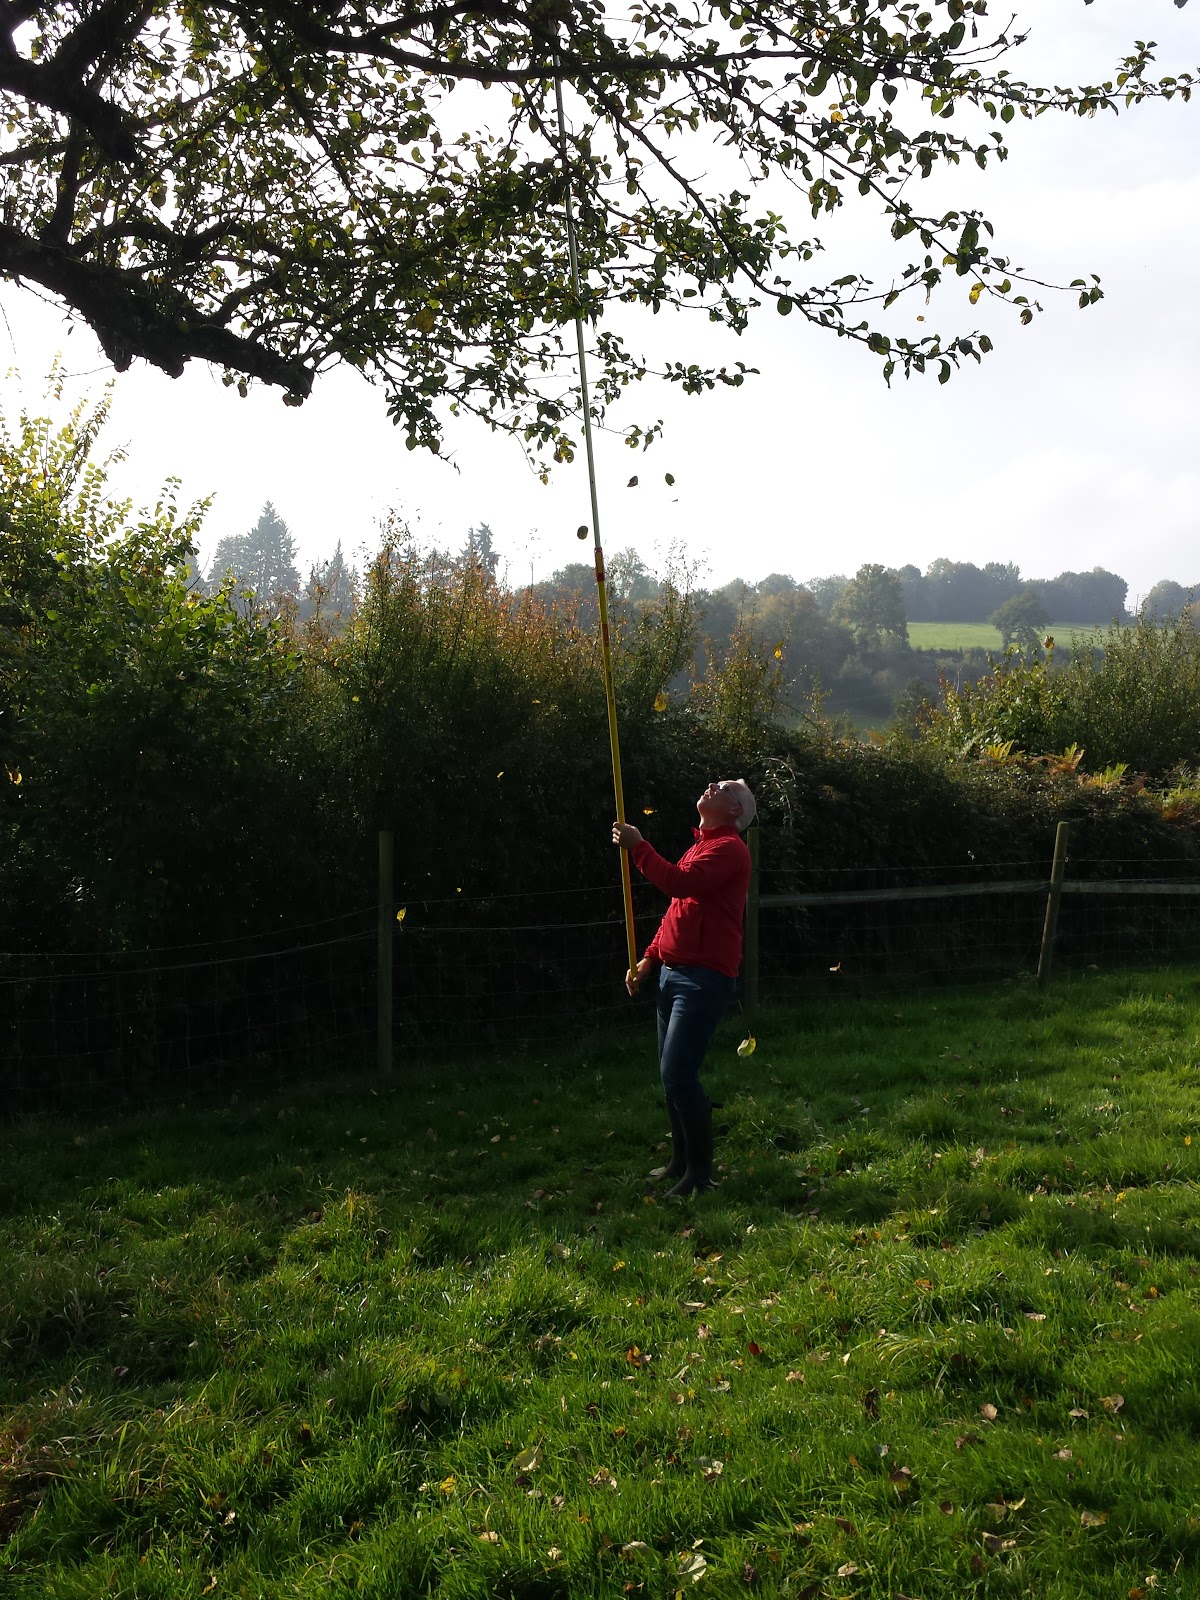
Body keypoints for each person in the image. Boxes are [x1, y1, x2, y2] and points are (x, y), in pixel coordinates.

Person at [612, 778, 756, 1197]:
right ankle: (680, 1161)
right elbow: (679, 910)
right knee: (669, 1074)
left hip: (704, 977)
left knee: (678, 1073)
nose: (714, 784)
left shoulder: (730, 849)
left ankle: (701, 1175)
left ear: (735, 812)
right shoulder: (702, 844)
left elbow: (679, 883)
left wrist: (640, 846)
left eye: (726, 788)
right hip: (673, 973)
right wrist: (649, 958)